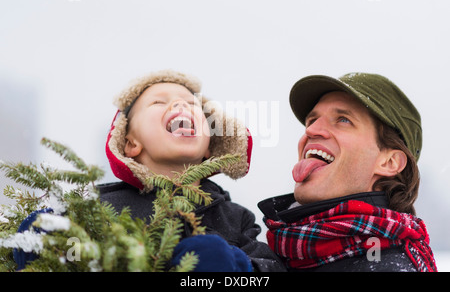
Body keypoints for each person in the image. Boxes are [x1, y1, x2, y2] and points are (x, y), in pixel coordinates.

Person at [101, 69, 285, 272]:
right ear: (130, 143)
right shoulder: (104, 209)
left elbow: (270, 267)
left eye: (191, 104)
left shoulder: (236, 218)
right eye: (158, 102)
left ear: (209, 147)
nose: (180, 104)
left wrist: (234, 263)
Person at [258, 72, 437, 272]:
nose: (311, 130)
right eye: (312, 120)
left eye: (343, 120)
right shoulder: (280, 255)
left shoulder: (386, 266)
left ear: (389, 162)